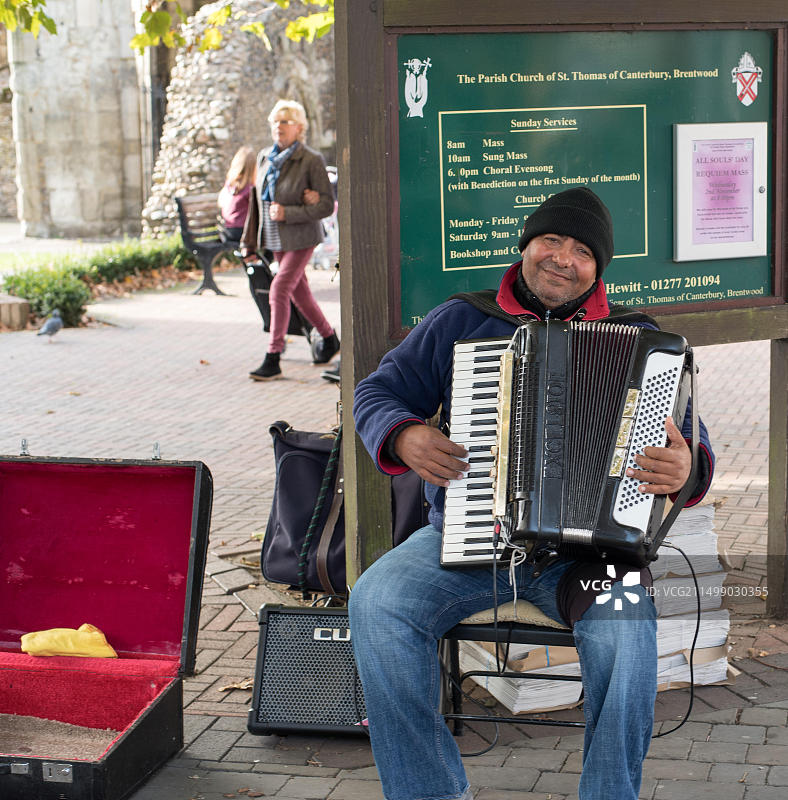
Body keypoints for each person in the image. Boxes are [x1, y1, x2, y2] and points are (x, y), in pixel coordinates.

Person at [349, 188, 715, 800]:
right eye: (551, 241)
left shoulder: (642, 341)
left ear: (598, 268)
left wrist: (685, 468)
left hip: (594, 558)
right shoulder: (461, 321)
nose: (562, 259)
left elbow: (693, 446)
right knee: (377, 604)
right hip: (468, 536)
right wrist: (405, 435)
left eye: (581, 251)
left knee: (626, 637)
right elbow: (375, 394)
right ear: (526, 246)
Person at [240, 99, 340, 381]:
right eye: (275, 121)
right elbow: (255, 203)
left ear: (299, 127)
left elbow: (324, 206)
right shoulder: (264, 158)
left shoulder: (311, 159)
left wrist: (289, 211)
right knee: (300, 293)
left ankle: (273, 357)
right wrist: (249, 241)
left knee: (279, 289)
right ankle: (330, 338)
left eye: (285, 121)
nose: (279, 127)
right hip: (275, 237)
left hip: (302, 235)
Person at [217, 146, 256, 247]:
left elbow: (221, 203)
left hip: (228, 230)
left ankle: (255, 259)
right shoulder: (250, 188)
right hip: (241, 231)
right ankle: (265, 260)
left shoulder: (230, 184)